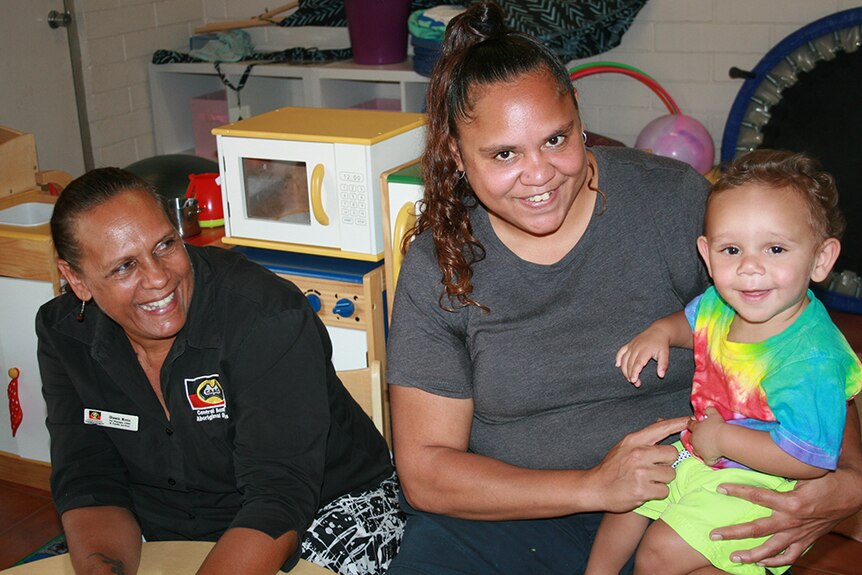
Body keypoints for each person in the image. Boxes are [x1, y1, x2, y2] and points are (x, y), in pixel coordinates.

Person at [384, 3, 862, 574]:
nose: (539, 174)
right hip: (503, 517)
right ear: (457, 157)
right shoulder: (440, 265)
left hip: (679, 504)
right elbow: (427, 473)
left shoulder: (674, 204)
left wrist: (849, 478)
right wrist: (594, 487)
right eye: (504, 154)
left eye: (556, 139)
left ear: (578, 117)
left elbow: (799, 339)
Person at [37, 167, 402, 575]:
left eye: (164, 245)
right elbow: (90, 478)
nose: (158, 278)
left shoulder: (264, 315)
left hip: (321, 505)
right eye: (124, 267)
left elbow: (278, 496)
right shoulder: (64, 335)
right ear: (76, 279)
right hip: (164, 524)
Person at [585, 150, 862, 575]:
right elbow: (692, 321)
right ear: (707, 254)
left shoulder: (811, 360)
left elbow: (810, 458)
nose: (750, 267)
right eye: (731, 249)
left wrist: (723, 440)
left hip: (764, 478)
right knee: (630, 494)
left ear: (821, 259)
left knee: (661, 552)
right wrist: (662, 331)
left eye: (774, 248)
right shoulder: (721, 302)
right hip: (705, 448)